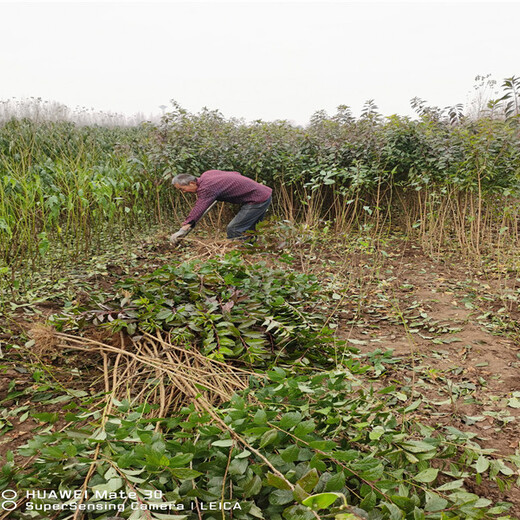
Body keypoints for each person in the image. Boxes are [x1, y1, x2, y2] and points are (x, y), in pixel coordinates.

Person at [170, 170, 272, 244]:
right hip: (263, 193)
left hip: (257, 199)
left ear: (192, 183)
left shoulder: (206, 188)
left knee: (234, 228)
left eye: (183, 189)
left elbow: (199, 208)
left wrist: (183, 229)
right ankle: (250, 251)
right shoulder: (207, 174)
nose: (184, 192)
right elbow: (235, 173)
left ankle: (239, 255)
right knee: (249, 229)